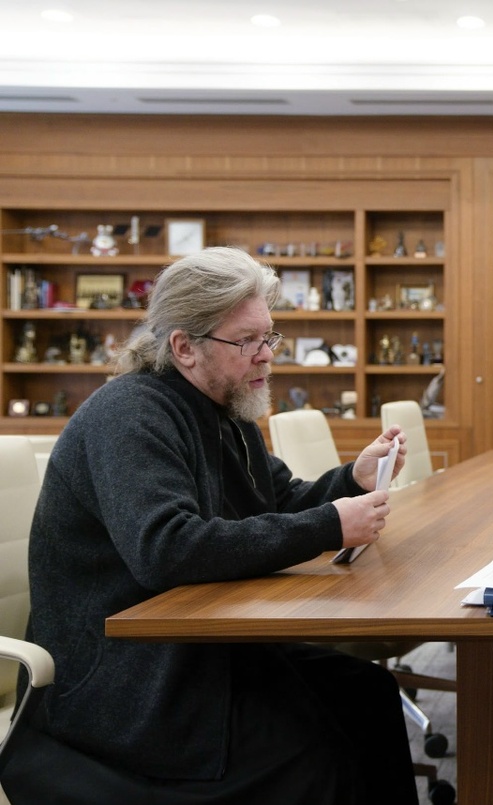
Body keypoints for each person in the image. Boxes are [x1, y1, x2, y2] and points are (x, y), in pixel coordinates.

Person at [0, 247, 419, 805]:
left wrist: (352, 480)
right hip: (124, 676)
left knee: (367, 692)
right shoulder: (129, 415)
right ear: (184, 348)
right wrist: (329, 526)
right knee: (314, 759)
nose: (266, 355)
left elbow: (280, 500)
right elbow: (165, 548)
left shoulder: (226, 407)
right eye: (247, 341)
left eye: (268, 337)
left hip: (197, 643)